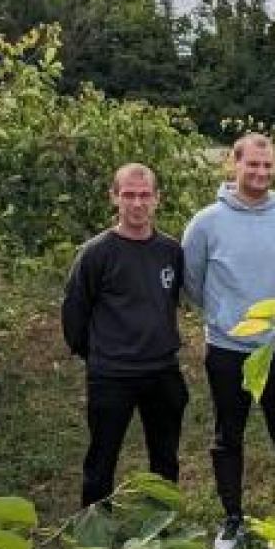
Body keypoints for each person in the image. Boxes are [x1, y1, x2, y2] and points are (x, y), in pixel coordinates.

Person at [181, 134, 275, 549]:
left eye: (268, 166)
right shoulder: (205, 223)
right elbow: (193, 281)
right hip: (228, 351)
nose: (261, 173)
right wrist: (226, 318)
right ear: (234, 165)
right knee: (229, 434)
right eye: (253, 165)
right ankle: (232, 517)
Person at [61, 163, 188, 509]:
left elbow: (169, 299)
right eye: (128, 195)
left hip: (162, 370)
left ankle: (161, 521)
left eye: (144, 195)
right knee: (102, 457)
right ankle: (94, 526)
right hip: (112, 374)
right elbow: (74, 312)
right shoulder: (96, 253)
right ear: (114, 198)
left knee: (165, 456)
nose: (137, 203)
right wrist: (99, 354)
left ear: (157, 199)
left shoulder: (171, 251)